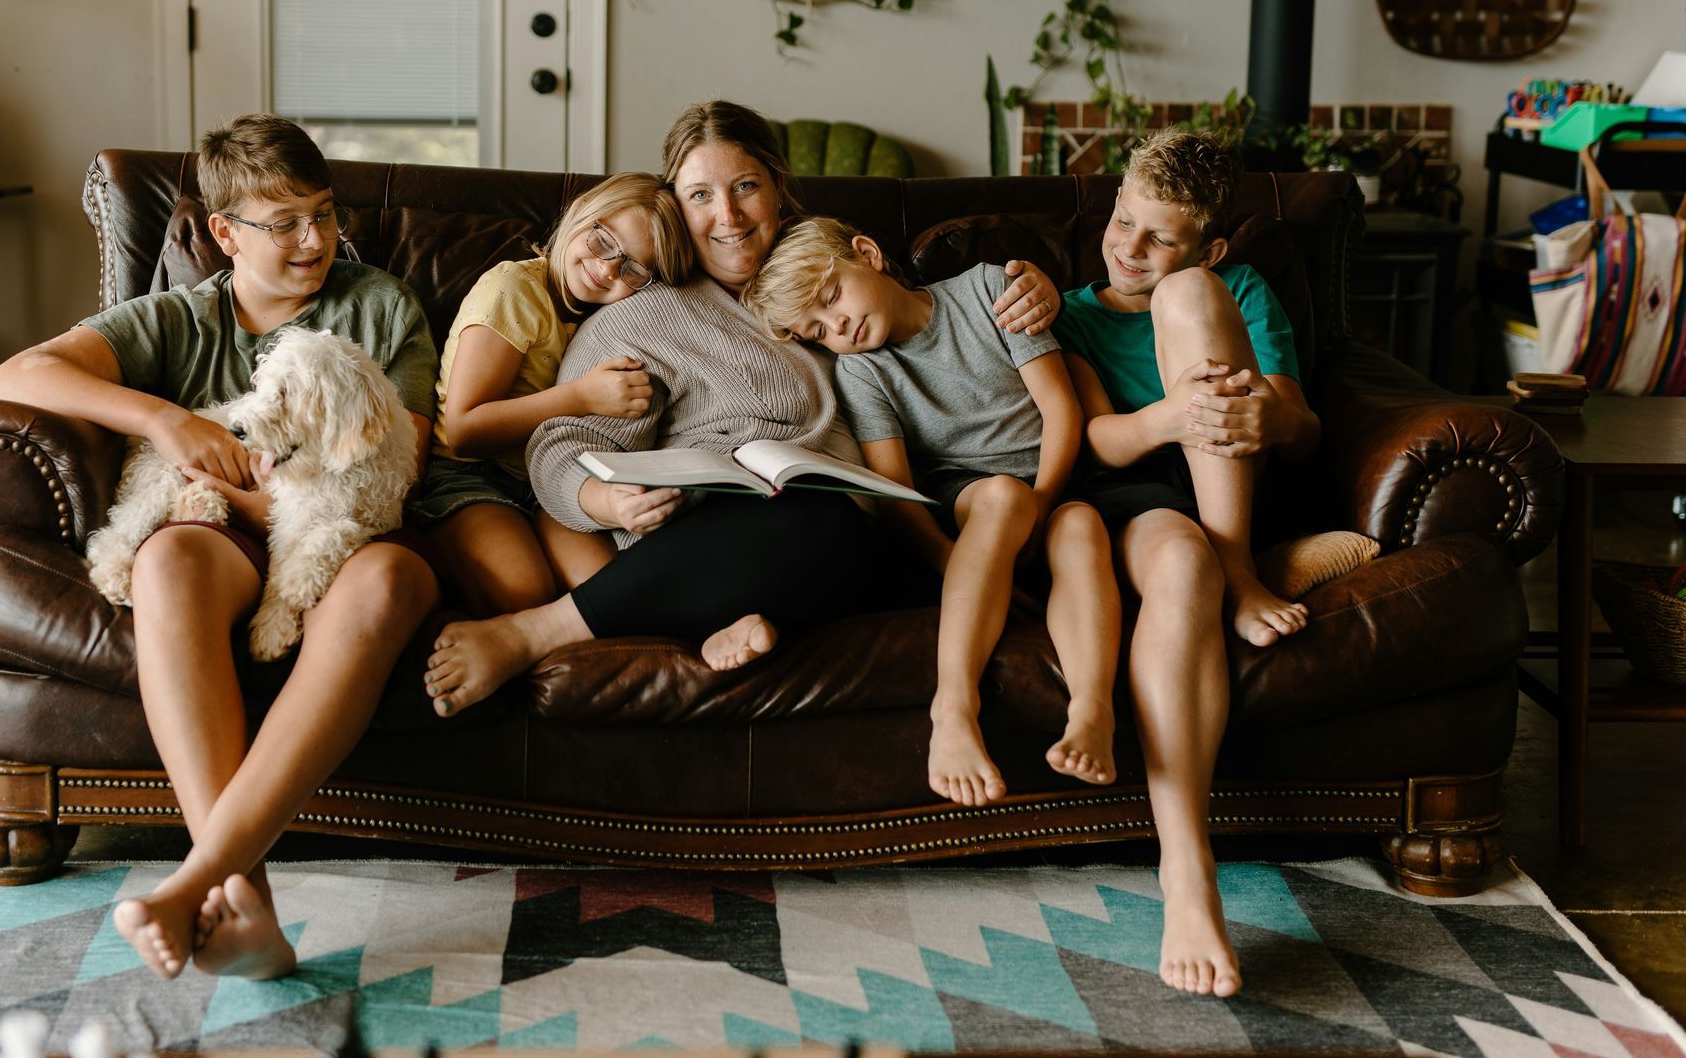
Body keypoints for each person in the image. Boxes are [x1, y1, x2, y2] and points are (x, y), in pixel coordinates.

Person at [0, 114, 441, 982]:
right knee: (166, 561)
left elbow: (395, 468)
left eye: (325, 214)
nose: (315, 240)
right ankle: (251, 910)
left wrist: (248, 487)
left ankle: (198, 882)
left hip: (357, 538)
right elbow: (12, 379)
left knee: (378, 588)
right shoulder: (178, 321)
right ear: (223, 233)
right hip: (229, 534)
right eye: (283, 223)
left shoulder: (379, 305)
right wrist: (166, 419)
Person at [420, 99, 1062, 707]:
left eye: (745, 186)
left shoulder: (829, 276)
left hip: (863, 536)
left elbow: (940, 324)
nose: (727, 215)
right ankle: (536, 631)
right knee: (821, 522)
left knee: (876, 542)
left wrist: (1042, 295)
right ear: (676, 204)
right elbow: (560, 450)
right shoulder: (641, 314)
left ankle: (748, 616)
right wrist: (606, 500)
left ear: (778, 186)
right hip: (723, 533)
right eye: (701, 194)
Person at [1049, 127, 1321, 999]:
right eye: (1123, 220)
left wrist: (1265, 419)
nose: (1129, 249)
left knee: (1185, 301)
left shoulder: (1230, 284)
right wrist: (1178, 414)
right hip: (1135, 490)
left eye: (1158, 237)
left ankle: (1237, 561)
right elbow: (1098, 438)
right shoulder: (1069, 311)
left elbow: (1301, 422)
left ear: (1211, 240)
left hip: (1230, 477)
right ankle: (1187, 869)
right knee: (1182, 563)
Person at [740, 216, 1118, 811]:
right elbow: (895, 492)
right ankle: (954, 706)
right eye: (817, 329)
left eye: (832, 297)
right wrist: (949, 561)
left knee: (1083, 526)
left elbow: (1061, 412)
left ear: (868, 251)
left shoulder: (989, 290)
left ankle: (1092, 711)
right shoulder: (862, 370)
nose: (837, 326)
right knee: (1001, 497)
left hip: (1055, 485)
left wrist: (1045, 506)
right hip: (970, 498)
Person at [418, 172, 691, 614]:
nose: (606, 269)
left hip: (547, 482)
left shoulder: (609, 314)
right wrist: (582, 397)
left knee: (611, 591)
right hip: (467, 474)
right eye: (603, 241)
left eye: (634, 269)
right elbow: (464, 431)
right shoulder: (515, 289)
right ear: (581, 214)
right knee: (526, 589)